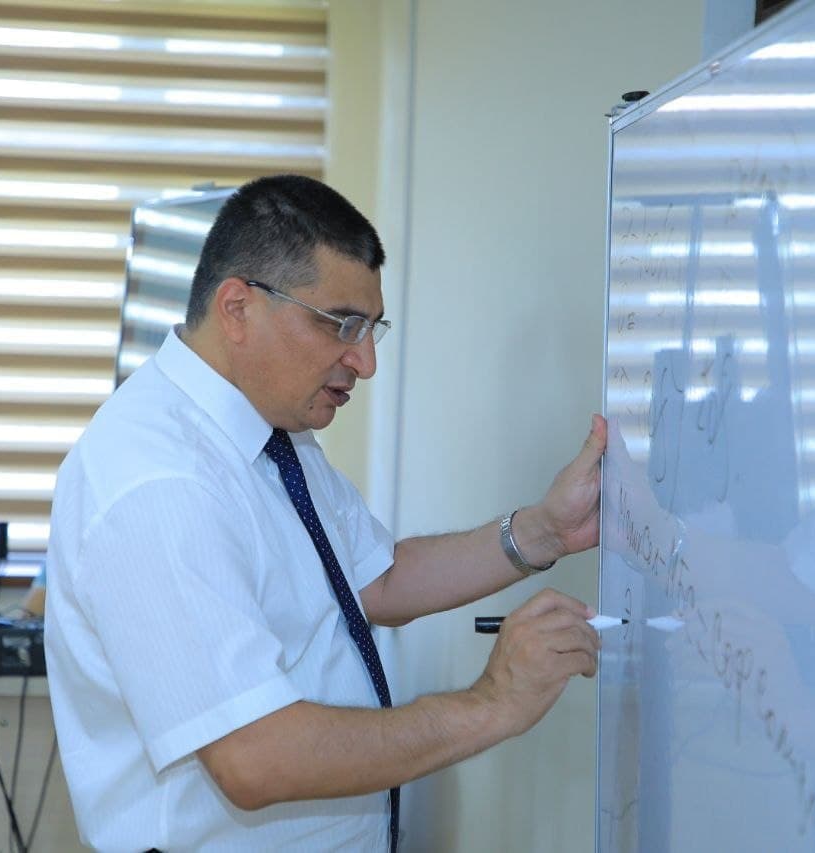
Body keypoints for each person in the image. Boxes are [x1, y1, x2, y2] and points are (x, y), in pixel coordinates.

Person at [44, 174, 608, 851]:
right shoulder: (160, 482)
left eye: (371, 329)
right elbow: (254, 757)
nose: (365, 362)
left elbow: (376, 580)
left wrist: (544, 530)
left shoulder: (270, 432)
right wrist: (493, 703)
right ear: (237, 308)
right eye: (342, 324)